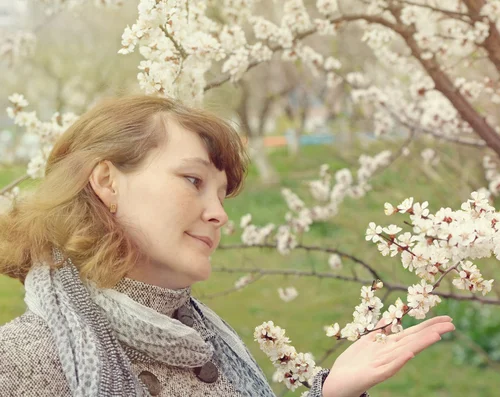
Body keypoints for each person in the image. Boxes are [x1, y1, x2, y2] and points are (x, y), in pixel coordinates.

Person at [0, 95, 455, 397]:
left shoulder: (206, 342)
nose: (219, 214)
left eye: (220, 194)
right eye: (193, 181)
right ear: (106, 181)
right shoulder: (23, 361)